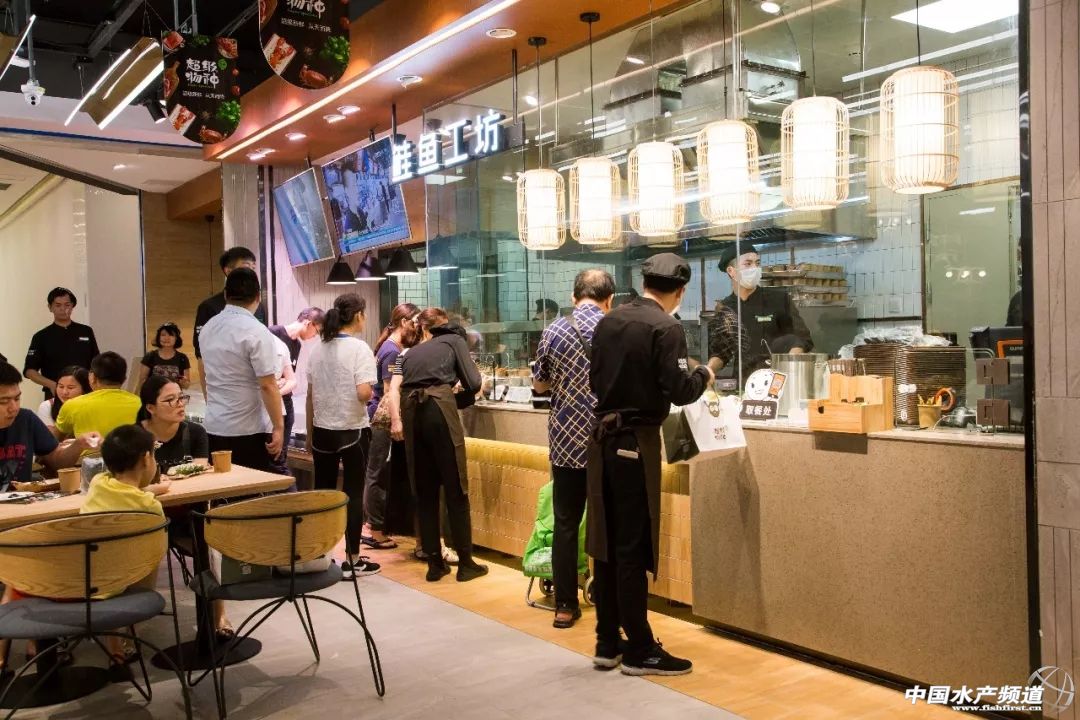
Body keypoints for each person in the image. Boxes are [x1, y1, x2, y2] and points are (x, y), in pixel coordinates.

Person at [587, 253, 714, 676]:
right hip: (634, 444)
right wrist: (703, 376)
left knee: (605, 543)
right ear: (680, 291)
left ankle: (607, 642)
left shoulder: (608, 321)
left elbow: (595, 381)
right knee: (632, 545)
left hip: (602, 441)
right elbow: (680, 390)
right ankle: (641, 648)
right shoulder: (666, 326)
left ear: (644, 283)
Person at [532, 269, 615, 629]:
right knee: (609, 522)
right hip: (606, 440)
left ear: (573, 297)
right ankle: (611, 601)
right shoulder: (616, 330)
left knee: (566, 522)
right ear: (609, 300)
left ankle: (565, 605)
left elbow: (539, 384)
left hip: (566, 441)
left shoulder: (553, 330)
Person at [388, 307, 486, 583]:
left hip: (412, 414)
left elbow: (395, 388)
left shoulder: (407, 353)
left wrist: (397, 419)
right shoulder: (453, 341)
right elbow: (474, 382)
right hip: (439, 411)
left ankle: (434, 564)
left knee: (425, 492)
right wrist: (459, 400)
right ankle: (466, 564)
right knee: (456, 488)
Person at [306, 293, 381, 580]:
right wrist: (370, 393)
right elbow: (363, 392)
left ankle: (320, 556)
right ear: (359, 315)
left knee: (323, 494)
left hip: (322, 432)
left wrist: (311, 432)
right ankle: (353, 560)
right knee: (352, 494)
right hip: (351, 430)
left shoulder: (318, 349)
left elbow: (310, 395)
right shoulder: (359, 349)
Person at [198, 268, 284, 472]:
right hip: (249, 430)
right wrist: (279, 426)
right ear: (258, 297)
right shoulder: (257, 331)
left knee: (222, 487)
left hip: (215, 426)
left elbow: (204, 372)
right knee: (251, 489)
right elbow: (268, 385)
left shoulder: (208, 328)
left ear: (226, 295)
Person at [708, 244, 813, 379]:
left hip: (777, 379)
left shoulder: (779, 299)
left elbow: (802, 338)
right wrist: (707, 370)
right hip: (743, 383)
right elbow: (721, 352)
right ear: (731, 271)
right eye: (748, 264)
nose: (755, 268)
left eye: (757, 263)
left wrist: (790, 361)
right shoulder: (725, 307)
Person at [362, 302, 419, 550]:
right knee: (377, 473)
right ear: (404, 322)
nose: (417, 328)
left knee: (376, 472)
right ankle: (374, 529)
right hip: (382, 420)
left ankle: (373, 525)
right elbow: (389, 390)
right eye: (414, 323)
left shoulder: (389, 348)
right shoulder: (393, 353)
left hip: (377, 418)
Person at [0, 362, 99, 492]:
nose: (13, 408)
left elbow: (57, 461)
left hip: (21, 501)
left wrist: (79, 444)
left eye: (17, 399)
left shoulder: (26, 419)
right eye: (3, 402)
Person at [193, 247, 268, 399]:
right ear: (228, 271)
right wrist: (208, 398)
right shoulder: (209, 307)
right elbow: (202, 357)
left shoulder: (258, 305)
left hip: (254, 390)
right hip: (224, 391)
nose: (251, 272)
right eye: (246, 266)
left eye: (253, 268)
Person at [55, 352, 142, 459]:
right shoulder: (140, 403)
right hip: (132, 463)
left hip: (88, 465)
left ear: (92, 377)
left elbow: (55, 441)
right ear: (124, 379)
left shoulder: (73, 405)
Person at [269, 307, 325, 472]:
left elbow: (289, 377)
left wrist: (284, 381)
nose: (315, 336)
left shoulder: (297, 345)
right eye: (316, 331)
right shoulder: (273, 333)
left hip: (286, 400)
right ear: (308, 323)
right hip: (271, 401)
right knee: (274, 453)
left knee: (282, 452)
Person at [24, 287, 100, 399]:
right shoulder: (41, 336)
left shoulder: (86, 331)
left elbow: (97, 363)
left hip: (85, 393)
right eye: (58, 305)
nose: (63, 309)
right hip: (55, 394)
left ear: (72, 306)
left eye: (67, 305)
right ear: (50, 307)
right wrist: (52, 385)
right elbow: (30, 371)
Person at [139, 375, 208, 468]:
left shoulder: (196, 432)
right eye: (170, 399)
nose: (180, 404)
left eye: (181, 397)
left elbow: (200, 469)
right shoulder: (133, 438)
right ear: (151, 408)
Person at [36, 365, 91, 438]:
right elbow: (49, 439)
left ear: (85, 388)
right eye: (61, 386)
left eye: (70, 388)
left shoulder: (93, 405)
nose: (64, 392)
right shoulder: (47, 406)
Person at [137, 322, 191, 392]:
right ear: (158, 337)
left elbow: (186, 386)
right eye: (163, 335)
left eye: (171, 335)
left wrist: (183, 382)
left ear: (176, 338)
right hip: (154, 396)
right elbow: (142, 382)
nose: (166, 338)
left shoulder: (182, 358)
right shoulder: (150, 356)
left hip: (174, 396)